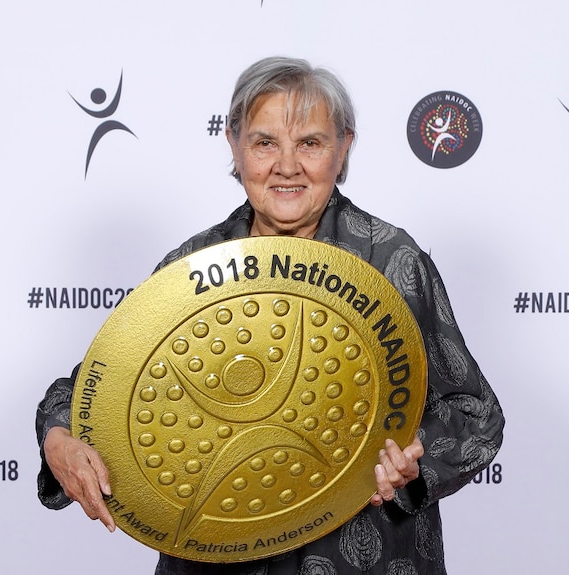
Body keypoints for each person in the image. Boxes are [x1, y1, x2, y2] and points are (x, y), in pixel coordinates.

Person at [35, 56, 504, 575]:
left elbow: (474, 414)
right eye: (264, 143)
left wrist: (415, 468)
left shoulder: (392, 261)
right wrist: (59, 439)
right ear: (234, 146)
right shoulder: (191, 269)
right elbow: (95, 390)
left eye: (309, 143)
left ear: (343, 148)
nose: (286, 166)